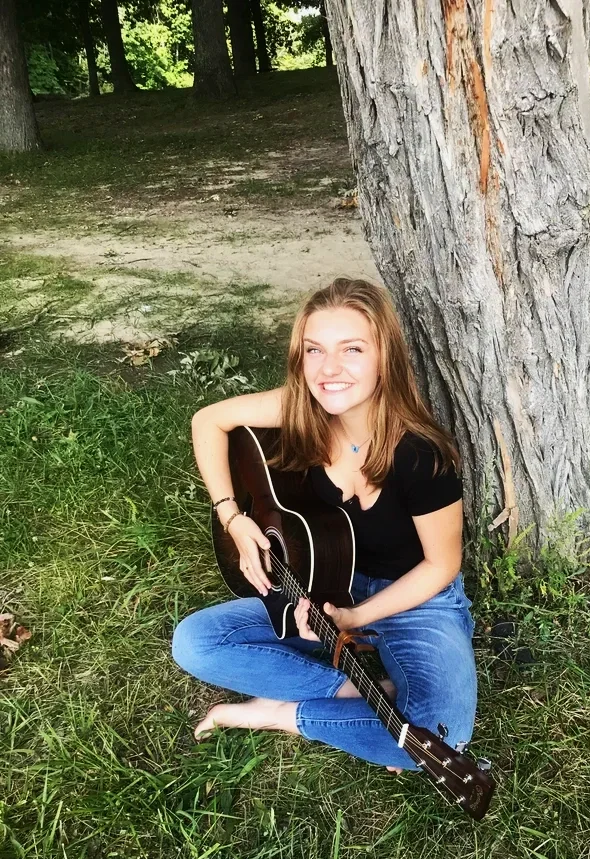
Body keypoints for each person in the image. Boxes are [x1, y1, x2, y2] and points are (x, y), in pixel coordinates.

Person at [171, 277, 476, 773]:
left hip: (416, 599)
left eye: (351, 349)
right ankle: (357, 692)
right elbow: (209, 420)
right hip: (323, 582)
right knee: (195, 642)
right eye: (315, 350)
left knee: (443, 738)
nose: (329, 370)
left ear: (385, 357)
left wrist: (354, 619)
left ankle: (279, 713)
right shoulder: (301, 411)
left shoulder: (421, 455)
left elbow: (443, 564)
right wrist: (232, 517)